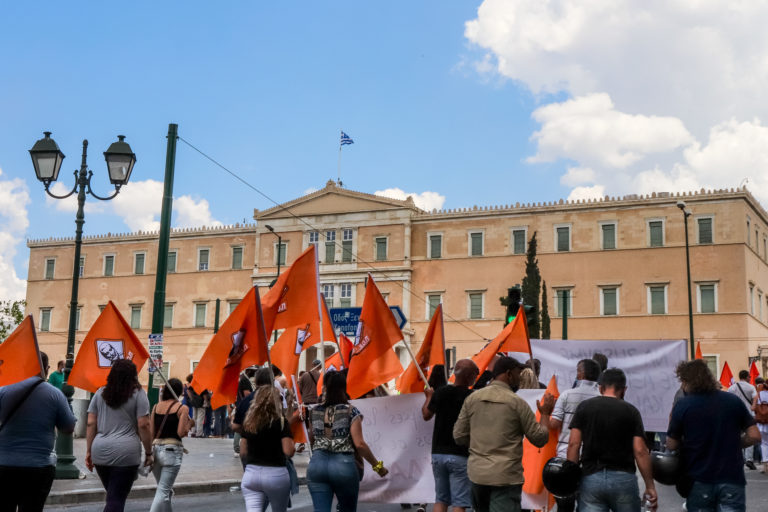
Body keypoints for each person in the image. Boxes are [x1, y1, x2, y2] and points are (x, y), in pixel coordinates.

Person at [453, 356, 554, 512]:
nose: (520, 377)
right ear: (508, 374)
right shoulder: (517, 403)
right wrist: (546, 414)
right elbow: (540, 438)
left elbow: (459, 436)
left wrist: (479, 444)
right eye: (517, 373)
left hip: (478, 474)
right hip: (505, 476)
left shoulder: (472, 398)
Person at [667, 360, 760, 511]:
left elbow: (671, 444)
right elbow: (755, 436)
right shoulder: (733, 401)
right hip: (732, 478)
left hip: (699, 478)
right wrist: (734, 443)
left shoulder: (683, 405)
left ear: (686, 381)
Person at [567, 368, 657, 511]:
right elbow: (640, 451)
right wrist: (650, 486)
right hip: (623, 479)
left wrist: (571, 479)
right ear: (624, 389)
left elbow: (574, 444)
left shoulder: (585, 407)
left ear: (600, 387)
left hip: (591, 477)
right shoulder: (631, 411)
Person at [0, 351, 76, 512]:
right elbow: (68, 428)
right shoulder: (55, 394)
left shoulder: (4, 390)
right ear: (46, 368)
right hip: (38, 467)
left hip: (4, 464)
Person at [307, 371, 388, 512]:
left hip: (317, 465)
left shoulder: (314, 412)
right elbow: (360, 444)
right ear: (344, 388)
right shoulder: (351, 412)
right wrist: (378, 467)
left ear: (325, 387)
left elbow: (312, 439)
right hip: (343, 466)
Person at [86, 359, 152, 512]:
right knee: (116, 499)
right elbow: (144, 424)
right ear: (133, 375)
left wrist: (89, 451)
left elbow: (90, 423)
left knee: (112, 496)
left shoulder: (100, 393)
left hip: (100, 451)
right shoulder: (139, 394)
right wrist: (148, 452)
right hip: (126, 453)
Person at [422, 359, 478, 512]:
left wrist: (429, 396)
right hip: (460, 454)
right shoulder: (472, 397)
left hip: (438, 453)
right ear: (470, 376)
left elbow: (426, 414)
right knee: (459, 502)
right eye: (475, 375)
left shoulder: (441, 392)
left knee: (441, 499)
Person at [549, 358, 602, 512]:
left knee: (565, 502)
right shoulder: (602, 398)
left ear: (580, 374)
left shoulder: (566, 395)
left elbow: (554, 425)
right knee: (590, 503)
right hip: (593, 458)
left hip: (565, 455)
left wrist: (545, 413)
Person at [239, 385, 295, 512]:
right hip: (276, 474)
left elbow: (243, 452)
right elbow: (288, 451)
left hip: (251, 475)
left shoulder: (249, 421)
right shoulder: (280, 422)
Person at [149, 377, 192, 512]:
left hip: (156, 450)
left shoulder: (156, 407)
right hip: (172, 451)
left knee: (164, 491)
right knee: (163, 492)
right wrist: (190, 424)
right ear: (180, 392)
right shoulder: (182, 408)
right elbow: (181, 432)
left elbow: (151, 432)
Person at [728, 369, 758, 470]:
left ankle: (739, 458)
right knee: (750, 436)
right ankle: (749, 459)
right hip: (748, 414)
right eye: (749, 377)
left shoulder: (732, 387)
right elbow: (755, 398)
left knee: (737, 436)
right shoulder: (751, 387)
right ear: (747, 377)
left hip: (735, 414)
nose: (750, 378)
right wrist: (753, 406)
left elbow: (728, 399)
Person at [752, 377, 768, 473]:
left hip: (762, 423)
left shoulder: (758, 395)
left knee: (764, 444)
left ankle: (766, 465)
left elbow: (753, 408)